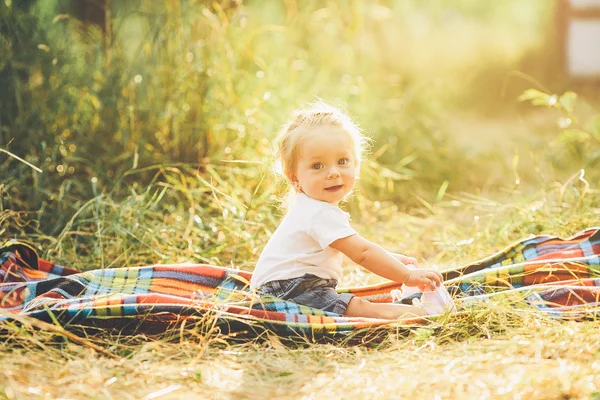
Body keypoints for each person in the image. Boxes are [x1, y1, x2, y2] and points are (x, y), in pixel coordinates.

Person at [250, 100, 451, 319]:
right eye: (318, 166)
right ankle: (423, 313)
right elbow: (362, 253)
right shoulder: (319, 213)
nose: (333, 172)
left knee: (352, 304)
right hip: (288, 291)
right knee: (359, 309)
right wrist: (408, 276)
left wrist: (391, 259)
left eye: (342, 161)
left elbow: (342, 249)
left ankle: (414, 309)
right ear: (294, 178)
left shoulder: (310, 207)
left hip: (280, 289)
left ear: (356, 164)